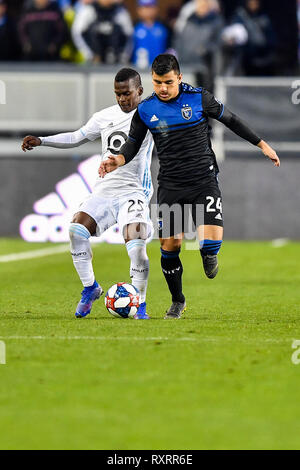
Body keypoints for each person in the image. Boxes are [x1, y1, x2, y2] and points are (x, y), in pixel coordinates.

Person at [99, 54, 280, 319]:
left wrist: (262, 144)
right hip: (171, 186)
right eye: (158, 82)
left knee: (209, 244)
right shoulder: (146, 109)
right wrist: (119, 159)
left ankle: (209, 254)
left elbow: (231, 120)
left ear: (180, 78)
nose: (162, 88)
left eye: (168, 82)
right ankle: (177, 300)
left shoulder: (199, 98)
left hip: (203, 181)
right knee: (170, 247)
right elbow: (132, 143)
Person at [21, 68, 154, 320]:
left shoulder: (150, 115)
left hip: (134, 192)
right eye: (118, 94)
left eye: (127, 94)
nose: (122, 99)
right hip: (104, 190)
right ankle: (90, 287)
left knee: (136, 248)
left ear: (139, 91)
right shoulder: (104, 117)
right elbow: (76, 136)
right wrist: (42, 140)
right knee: (76, 230)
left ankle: (141, 304)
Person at [173, 0, 223, 91]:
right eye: (199, 3)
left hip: (206, 70)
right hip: (186, 66)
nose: (202, 5)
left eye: (204, 3)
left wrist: (206, 49)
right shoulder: (189, 20)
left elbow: (218, 44)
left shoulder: (216, 21)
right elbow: (179, 41)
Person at [132, 0, 169, 70]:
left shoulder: (164, 28)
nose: (148, 10)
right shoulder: (133, 28)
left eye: (151, 6)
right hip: (137, 69)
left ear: (157, 8)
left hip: (160, 70)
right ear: (138, 10)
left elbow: (170, 49)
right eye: (145, 7)